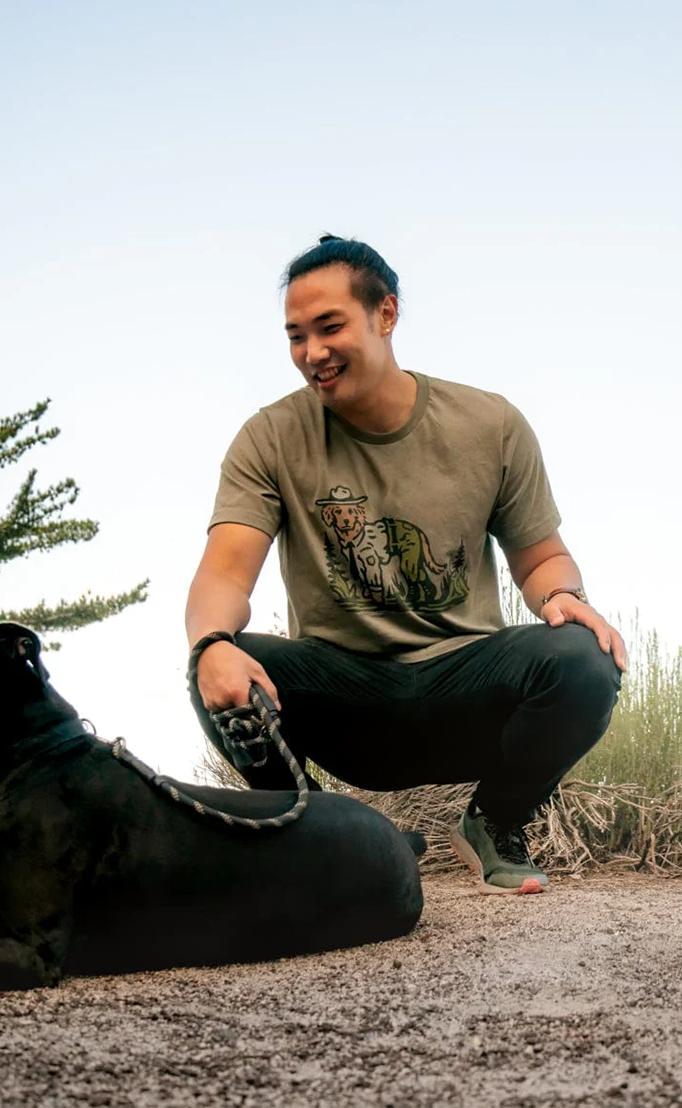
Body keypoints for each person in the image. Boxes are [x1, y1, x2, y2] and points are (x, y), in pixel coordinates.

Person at [186, 234, 625, 895]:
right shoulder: (269, 437)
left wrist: (563, 595)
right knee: (217, 663)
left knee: (586, 657)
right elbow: (224, 572)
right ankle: (318, 838)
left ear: (386, 314)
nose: (312, 352)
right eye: (296, 336)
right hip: (346, 702)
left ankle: (495, 822)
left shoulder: (490, 425)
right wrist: (211, 642)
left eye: (329, 327)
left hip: (466, 694)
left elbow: (543, 558)